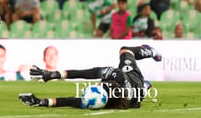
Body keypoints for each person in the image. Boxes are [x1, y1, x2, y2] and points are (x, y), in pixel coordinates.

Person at [19, 45, 162, 109]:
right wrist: (52, 75)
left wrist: (42, 102)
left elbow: (71, 101)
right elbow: (86, 73)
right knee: (125, 50)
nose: (96, 84)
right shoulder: (116, 75)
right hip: (132, 77)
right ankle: (150, 51)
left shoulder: (101, 102)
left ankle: (145, 86)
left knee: (140, 93)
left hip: (134, 96)